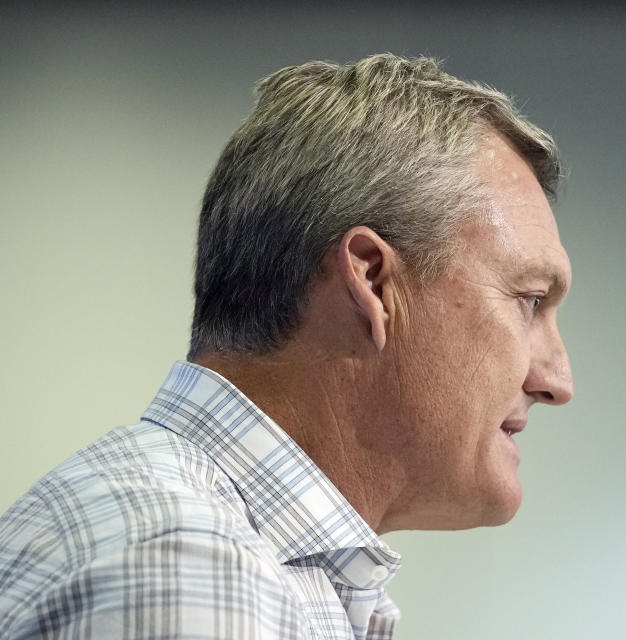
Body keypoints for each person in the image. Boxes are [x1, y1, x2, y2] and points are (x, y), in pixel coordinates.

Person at [0, 54, 573, 639]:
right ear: (374, 282)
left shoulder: (233, 554)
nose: (558, 381)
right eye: (529, 300)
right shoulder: (197, 571)